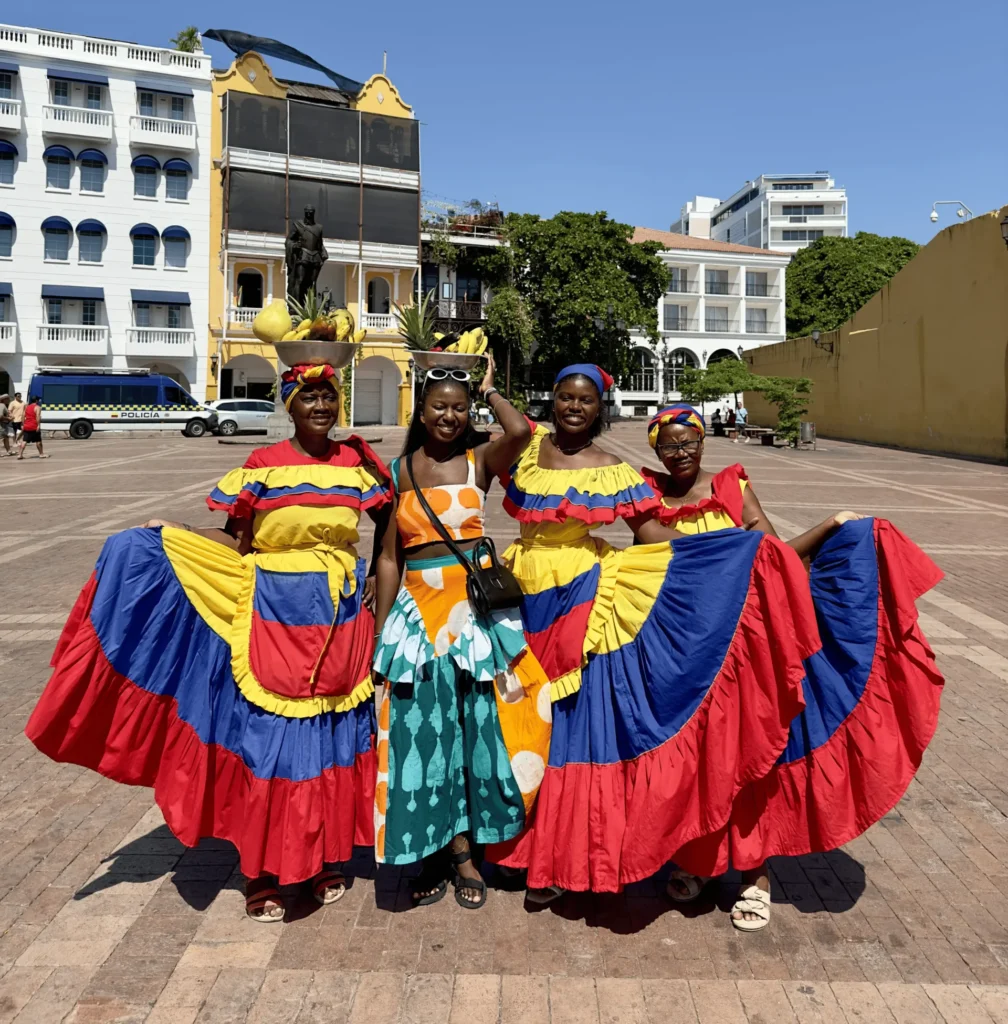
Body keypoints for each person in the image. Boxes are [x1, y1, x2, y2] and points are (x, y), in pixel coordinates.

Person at [26, 359, 391, 922]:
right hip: (273, 616)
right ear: (288, 405)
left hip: (339, 624)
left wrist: (371, 574)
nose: (321, 406)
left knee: (328, 739)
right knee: (268, 742)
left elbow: (389, 524)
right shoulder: (263, 465)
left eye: (328, 396)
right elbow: (236, 541)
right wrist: (169, 535)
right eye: (308, 397)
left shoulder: (356, 463)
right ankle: (263, 872)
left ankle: (319, 858)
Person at [485, 367, 819, 905]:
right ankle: (517, 849)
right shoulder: (526, 452)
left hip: (582, 600)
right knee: (515, 719)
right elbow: (490, 448)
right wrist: (489, 388)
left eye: (586, 400)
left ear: (600, 409)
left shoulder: (612, 469)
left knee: (568, 728)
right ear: (553, 400)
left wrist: (729, 554)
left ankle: (556, 858)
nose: (574, 407)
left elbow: (652, 532)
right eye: (566, 397)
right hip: (521, 595)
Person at [636, 404, 944, 930]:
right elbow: (673, 556)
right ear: (656, 450)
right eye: (670, 445)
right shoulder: (645, 497)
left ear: (704, 441)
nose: (681, 452)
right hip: (685, 649)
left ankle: (756, 875)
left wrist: (831, 527)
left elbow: (777, 554)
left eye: (690, 442)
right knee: (703, 758)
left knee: (753, 756)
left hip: (747, 647)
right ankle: (701, 862)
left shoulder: (733, 486)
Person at [371, 354, 549, 910]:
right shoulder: (397, 474)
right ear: (420, 411)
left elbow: (521, 431)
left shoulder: (479, 461)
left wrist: (491, 390)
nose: (448, 416)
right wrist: (381, 637)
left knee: (483, 731)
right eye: (438, 407)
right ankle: (440, 851)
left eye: (457, 407)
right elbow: (386, 559)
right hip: (417, 619)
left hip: (475, 616)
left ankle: (478, 846)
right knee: (424, 738)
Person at [17, 395, 47, 459]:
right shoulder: (37, 407)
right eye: (38, 400)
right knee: (38, 441)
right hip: (34, 426)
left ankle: (20, 455)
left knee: (24, 441)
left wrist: (22, 424)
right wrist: (38, 425)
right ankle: (41, 454)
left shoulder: (27, 407)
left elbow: (23, 416)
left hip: (27, 426)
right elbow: (38, 416)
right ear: (36, 400)